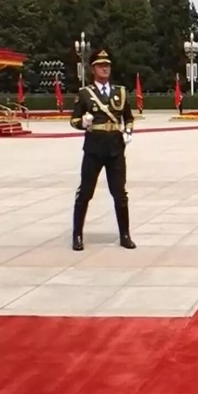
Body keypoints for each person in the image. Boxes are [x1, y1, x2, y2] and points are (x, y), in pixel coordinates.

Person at [69, 49, 136, 252]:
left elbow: (129, 117)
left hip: (115, 148)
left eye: (107, 65)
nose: (105, 68)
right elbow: (73, 120)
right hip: (94, 148)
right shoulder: (85, 94)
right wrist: (83, 123)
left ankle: (125, 234)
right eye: (100, 65)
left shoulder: (121, 92)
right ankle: (77, 235)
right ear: (93, 69)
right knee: (85, 193)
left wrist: (128, 131)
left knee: (120, 193)